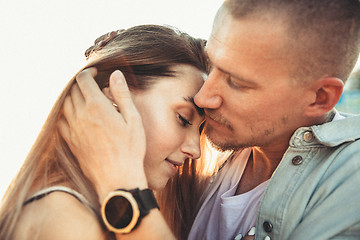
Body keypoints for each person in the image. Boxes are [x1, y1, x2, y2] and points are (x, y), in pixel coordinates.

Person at [57, 0, 360, 240]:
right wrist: (122, 56)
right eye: (212, 63)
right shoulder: (211, 163)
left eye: (237, 82)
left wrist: (123, 188)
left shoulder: (350, 184)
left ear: (319, 97)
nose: (204, 97)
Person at [0, 25, 210, 240]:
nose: (196, 150)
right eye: (183, 119)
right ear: (114, 97)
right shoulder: (69, 222)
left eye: (201, 129)